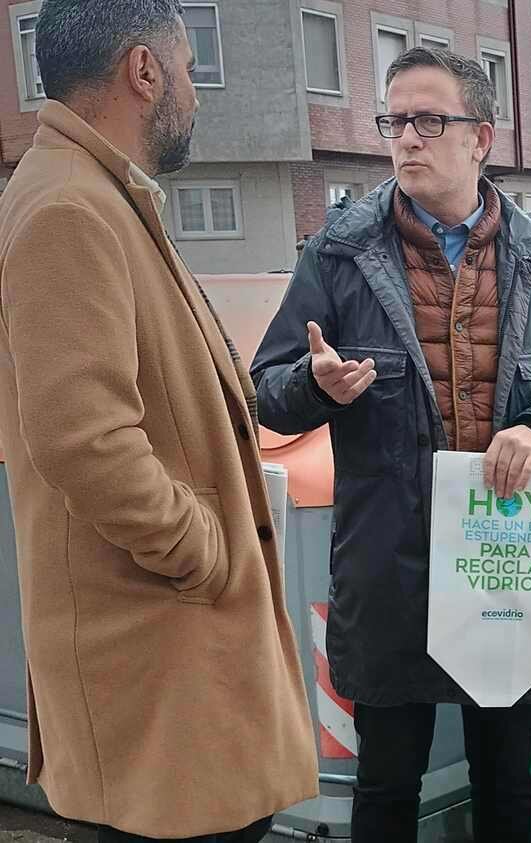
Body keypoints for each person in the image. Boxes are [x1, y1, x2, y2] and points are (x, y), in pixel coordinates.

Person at [251, 47, 531, 843]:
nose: (407, 138)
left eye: (430, 120)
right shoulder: (338, 254)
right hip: (390, 572)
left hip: (505, 566)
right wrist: (316, 386)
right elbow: (268, 393)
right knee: (386, 789)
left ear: (481, 137)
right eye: (395, 121)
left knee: (507, 787)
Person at [0, 1, 319, 840]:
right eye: (188, 66)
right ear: (144, 72)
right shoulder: (70, 209)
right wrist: (205, 551)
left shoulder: (97, 193)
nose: (198, 93)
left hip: (174, 672)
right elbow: (83, 437)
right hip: (159, 671)